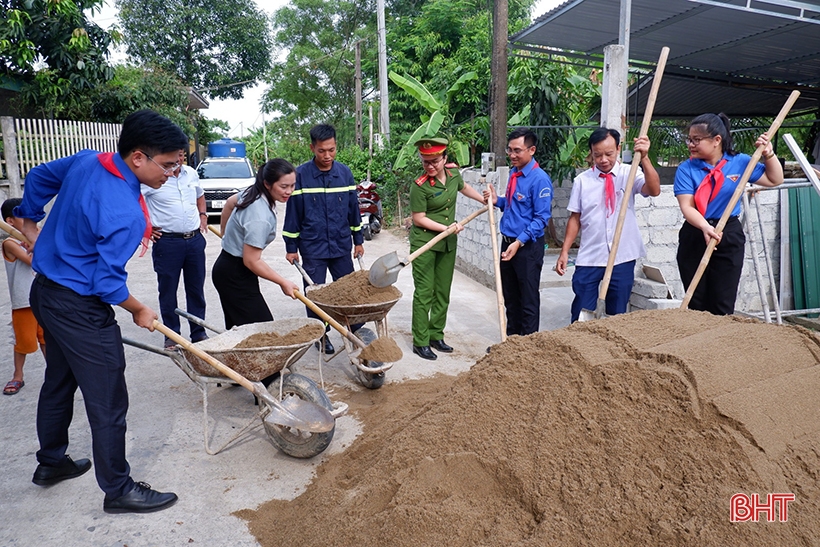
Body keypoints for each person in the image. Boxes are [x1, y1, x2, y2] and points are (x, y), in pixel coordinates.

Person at [15, 109, 185, 513]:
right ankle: (118, 488)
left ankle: (51, 462)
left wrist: (29, 224)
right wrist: (139, 308)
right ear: (139, 157)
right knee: (108, 399)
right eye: (169, 164)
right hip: (79, 307)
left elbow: (37, 177)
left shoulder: (88, 160)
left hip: (46, 293)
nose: (173, 173)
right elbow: (106, 284)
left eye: (179, 164)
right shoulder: (124, 213)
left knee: (59, 380)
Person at [674, 113, 783, 315]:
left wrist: (768, 154)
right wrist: (706, 227)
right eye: (689, 139)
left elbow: (774, 179)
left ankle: (720, 343)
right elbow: (687, 207)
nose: (691, 144)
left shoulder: (740, 162)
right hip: (696, 232)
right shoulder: (686, 168)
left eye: (696, 140)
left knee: (723, 301)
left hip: (728, 233)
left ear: (717, 140)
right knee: (696, 301)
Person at [555, 128, 661, 322]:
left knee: (617, 314)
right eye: (597, 155)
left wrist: (644, 158)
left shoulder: (629, 173)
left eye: (609, 154)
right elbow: (575, 218)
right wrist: (564, 251)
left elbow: (654, 190)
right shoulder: (582, 181)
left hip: (622, 255)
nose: (603, 159)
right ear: (591, 153)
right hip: (590, 256)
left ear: (618, 148)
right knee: (581, 311)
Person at [282, 124, 363, 355]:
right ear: (312, 148)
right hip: (312, 247)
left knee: (347, 291)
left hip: (340, 246)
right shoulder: (301, 176)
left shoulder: (344, 174)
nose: (327, 156)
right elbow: (293, 215)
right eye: (321, 151)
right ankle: (321, 333)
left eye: (332, 150)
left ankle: (354, 330)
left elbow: (353, 211)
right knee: (316, 293)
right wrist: (291, 247)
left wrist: (358, 241)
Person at [408, 137, 486, 360]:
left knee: (442, 291)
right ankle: (420, 341)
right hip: (425, 244)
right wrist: (446, 227)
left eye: (434, 161)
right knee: (425, 292)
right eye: (425, 162)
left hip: (447, 243)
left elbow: (465, 187)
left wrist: (483, 200)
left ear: (445, 158)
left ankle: (436, 335)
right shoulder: (419, 186)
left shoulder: (453, 175)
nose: (430, 166)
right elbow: (419, 218)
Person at [212, 159, 299, 331]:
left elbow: (230, 202)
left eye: (292, 185)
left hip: (230, 268)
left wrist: (226, 234)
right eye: (283, 187)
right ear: (267, 183)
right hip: (234, 274)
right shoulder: (259, 217)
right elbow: (252, 261)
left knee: (240, 330)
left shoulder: (255, 192)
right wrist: (283, 282)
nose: (289, 191)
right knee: (262, 331)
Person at [484, 128, 553, 336]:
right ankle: (512, 342)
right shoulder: (515, 173)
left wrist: (519, 242)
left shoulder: (539, 180)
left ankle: (528, 347)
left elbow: (541, 219)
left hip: (527, 248)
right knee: (511, 297)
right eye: (509, 150)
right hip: (508, 243)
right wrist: (498, 201)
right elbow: (514, 206)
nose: (512, 155)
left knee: (528, 299)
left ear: (531, 150)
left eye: (517, 150)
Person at [142, 150, 209, 348]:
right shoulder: (154, 178)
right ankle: (172, 335)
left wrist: (203, 215)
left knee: (196, 289)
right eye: (174, 155)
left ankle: (198, 333)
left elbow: (200, 195)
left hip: (195, 241)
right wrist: (145, 226)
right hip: (167, 243)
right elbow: (135, 202)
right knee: (168, 290)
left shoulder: (191, 173)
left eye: (181, 155)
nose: (178, 160)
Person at [2, 198, 45, 395]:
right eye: (23, 215)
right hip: (23, 303)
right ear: (10, 221)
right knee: (24, 341)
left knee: (47, 338)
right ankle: (17, 375)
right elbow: (32, 261)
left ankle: (55, 372)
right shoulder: (9, 243)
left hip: (44, 298)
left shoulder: (36, 236)